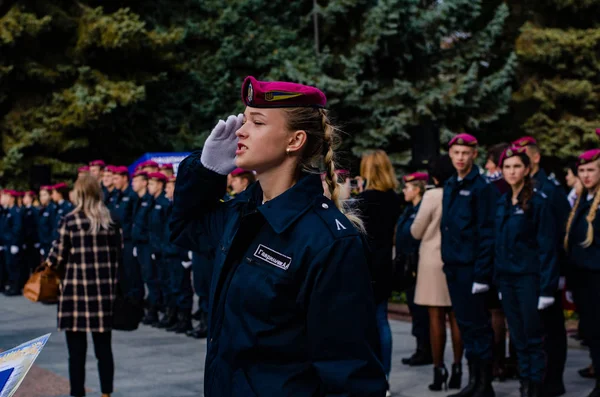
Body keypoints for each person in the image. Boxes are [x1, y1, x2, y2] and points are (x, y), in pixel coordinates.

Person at [170, 76, 387, 396]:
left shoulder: (327, 241)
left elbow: (350, 375)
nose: (241, 131)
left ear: (294, 140)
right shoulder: (242, 214)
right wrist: (206, 171)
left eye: (257, 122)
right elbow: (185, 229)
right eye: (244, 120)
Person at [45, 175, 121, 397]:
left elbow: (56, 258)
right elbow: (120, 256)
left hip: (75, 294)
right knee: (104, 350)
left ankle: (77, 393)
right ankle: (106, 393)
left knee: (76, 353)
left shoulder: (70, 220)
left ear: (78, 194)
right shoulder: (112, 220)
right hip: (103, 293)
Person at [494, 146, 559, 397]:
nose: (511, 171)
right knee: (518, 337)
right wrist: (498, 281)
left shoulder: (537, 203)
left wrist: (547, 288)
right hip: (508, 280)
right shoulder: (503, 202)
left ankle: (535, 387)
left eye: (517, 167)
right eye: (507, 167)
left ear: (527, 169)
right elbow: (499, 246)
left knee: (533, 337)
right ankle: (525, 384)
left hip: (529, 280)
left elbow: (547, 247)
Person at [512, 136, 569, 396]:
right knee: (533, 330)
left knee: (551, 328)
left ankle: (553, 380)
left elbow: (558, 235)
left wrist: (557, 276)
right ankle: (536, 378)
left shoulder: (550, 190)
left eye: (524, 155)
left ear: (535, 158)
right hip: (527, 274)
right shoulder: (518, 190)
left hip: (547, 272)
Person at [441, 133, 497, 397]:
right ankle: (474, 382)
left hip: (472, 268)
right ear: (450, 155)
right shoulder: (451, 183)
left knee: (479, 327)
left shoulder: (482, 187)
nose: (461, 158)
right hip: (454, 267)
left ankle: (484, 385)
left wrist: (482, 274)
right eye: (456, 153)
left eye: (466, 153)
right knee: (465, 325)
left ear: (475, 154)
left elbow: (487, 233)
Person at [411, 155, 464, 392]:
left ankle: (438, 369)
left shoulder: (432, 195)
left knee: (435, 317)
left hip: (432, 261)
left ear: (433, 176)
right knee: (456, 317)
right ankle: (458, 368)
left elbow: (416, 230)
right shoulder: (460, 194)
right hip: (457, 259)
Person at [565, 148, 600, 397]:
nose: (586, 175)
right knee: (591, 331)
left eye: (591, 170)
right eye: (582, 171)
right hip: (582, 276)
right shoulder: (583, 199)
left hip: (597, 276)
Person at [394, 172, 432, 369]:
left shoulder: (421, 210)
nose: (404, 191)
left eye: (407, 187)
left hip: (418, 264)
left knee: (421, 311)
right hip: (407, 265)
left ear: (417, 189)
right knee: (415, 310)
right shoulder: (409, 209)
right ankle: (421, 348)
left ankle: (426, 350)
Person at [163, 175, 194, 333]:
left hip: (180, 253)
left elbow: (187, 231)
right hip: (170, 251)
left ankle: (185, 319)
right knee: (174, 286)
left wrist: (187, 253)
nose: (166, 189)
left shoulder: (183, 206)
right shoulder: (171, 205)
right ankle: (176, 317)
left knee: (183, 287)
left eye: (170, 187)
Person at [110, 166, 143, 302]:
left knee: (132, 273)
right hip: (118, 239)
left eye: (116, 178)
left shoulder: (132, 195)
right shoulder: (117, 196)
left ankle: (136, 302)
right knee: (123, 273)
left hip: (129, 239)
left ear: (125, 178)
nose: (114, 181)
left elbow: (133, 219)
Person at [148, 172, 173, 329]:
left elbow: (166, 230)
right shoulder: (154, 201)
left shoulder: (164, 203)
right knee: (161, 281)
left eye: (152, 183)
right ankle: (167, 313)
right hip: (157, 248)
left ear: (159, 184)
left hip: (166, 249)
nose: (150, 186)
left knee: (172, 284)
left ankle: (175, 315)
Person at [131, 171, 157, 325]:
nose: (133, 184)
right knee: (143, 278)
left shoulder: (149, 200)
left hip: (147, 245)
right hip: (139, 244)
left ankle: (154, 311)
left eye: (136, 181)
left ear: (144, 183)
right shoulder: (139, 200)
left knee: (151, 279)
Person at [2, 190, 23, 296]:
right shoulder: (8, 211)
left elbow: (17, 228)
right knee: (9, 265)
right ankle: (11, 285)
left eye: (6, 196)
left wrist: (15, 243)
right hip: (7, 242)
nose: (4, 198)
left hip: (12, 243)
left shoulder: (15, 211)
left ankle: (16, 287)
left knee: (14, 266)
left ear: (12, 198)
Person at [20, 191, 40, 288]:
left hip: (33, 241)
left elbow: (37, 226)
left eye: (26, 197)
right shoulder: (23, 210)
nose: (24, 199)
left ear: (31, 199)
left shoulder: (35, 210)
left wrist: (37, 241)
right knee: (26, 263)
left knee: (35, 264)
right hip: (26, 241)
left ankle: (35, 284)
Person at [38, 185, 56, 259]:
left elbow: (53, 227)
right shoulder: (42, 209)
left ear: (50, 196)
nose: (42, 197)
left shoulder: (52, 209)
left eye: (44, 195)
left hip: (50, 244)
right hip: (43, 243)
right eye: (40, 195)